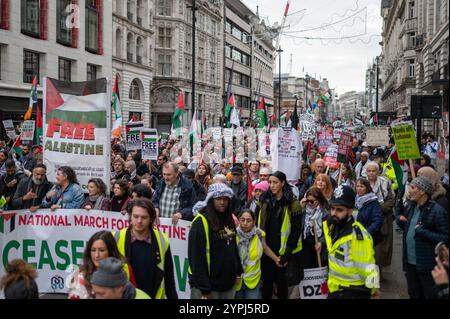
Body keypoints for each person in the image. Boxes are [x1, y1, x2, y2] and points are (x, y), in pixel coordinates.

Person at [322, 185, 380, 299]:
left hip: (353, 292)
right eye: (332, 208)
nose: (334, 213)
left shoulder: (358, 236)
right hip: (335, 289)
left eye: (339, 210)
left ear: (350, 211)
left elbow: (367, 267)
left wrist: (374, 291)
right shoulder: (331, 226)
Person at [113, 198, 178, 299]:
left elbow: (169, 277)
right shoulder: (117, 238)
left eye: (144, 217)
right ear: (130, 217)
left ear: (151, 219)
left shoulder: (162, 240)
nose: (139, 221)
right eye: (136, 216)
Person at [396, 176, 448, 299]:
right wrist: (400, 220)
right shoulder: (411, 207)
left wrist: (423, 232)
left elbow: (445, 238)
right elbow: (409, 228)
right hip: (410, 263)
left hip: (427, 266)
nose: (409, 190)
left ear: (422, 191)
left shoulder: (437, 211)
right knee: (414, 294)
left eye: (413, 187)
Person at [189, 183, 242, 299]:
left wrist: (238, 271)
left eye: (225, 199)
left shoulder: (229, 220)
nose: (222, 202)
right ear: (211, 200)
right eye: (218, 199)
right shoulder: (200, 222)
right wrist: (205, 289)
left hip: (228, 285)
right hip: (208, 288)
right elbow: (196, 258)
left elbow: (233, 247)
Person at [256, 171, 303, 299]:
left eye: (275, 182)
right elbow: (257, 225)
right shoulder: (263, 200)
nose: (272, 185)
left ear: (282, 183)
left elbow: (295, 231)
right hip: (266, 251)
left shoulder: (293, 204)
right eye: (270, 182)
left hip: (283, 253)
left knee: (282, 287)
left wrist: (286, 255)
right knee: (266, 286)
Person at [68, 231, 128, 299]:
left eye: (101, 250)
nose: (96, 255)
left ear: (111, 252)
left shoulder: (122, 272)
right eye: (93, 250)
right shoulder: (81, 276)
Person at [235, 209, 280, 299]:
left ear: (254, 221)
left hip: (253, 280)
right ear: (238, 220)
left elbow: (265, 248)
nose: (245, 223)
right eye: (242, 220)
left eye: (248, 220)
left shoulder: (259, 234)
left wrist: (277, 259)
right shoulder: (233, 235)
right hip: (236, 281)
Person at [366, 161, 395, 270]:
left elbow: (391, 200)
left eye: (374, 171)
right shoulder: (362, 183)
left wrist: (377, 209)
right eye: (369, 171)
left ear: (378, 172)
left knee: (380, 248)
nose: (371, 173)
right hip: (367, 220)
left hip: (383, 220)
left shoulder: (385, 182)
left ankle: (379, 270)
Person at [299, 187, 329, 269]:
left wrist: (321, 242)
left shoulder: (325, 213)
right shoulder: (303, 211)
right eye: (307, 201)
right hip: (305, 246)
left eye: (312, 201)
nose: (309, 203)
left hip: (318, 247)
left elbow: (328, 232)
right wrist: (299, 209)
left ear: (318, 200)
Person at [355, 178, 383, 243]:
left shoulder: (373, 202)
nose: (359, 189)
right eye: (357, 186)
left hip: (367, 237)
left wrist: (366, 233)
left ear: (367, 188)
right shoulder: (356, 200)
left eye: (362, 186)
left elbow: (377, 221)